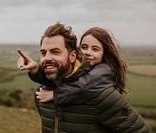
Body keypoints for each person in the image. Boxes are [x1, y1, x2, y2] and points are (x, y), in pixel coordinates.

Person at [17, 23, 149, 133]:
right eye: (43, 53)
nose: (47, 58)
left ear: (73, 56)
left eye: (55, 52)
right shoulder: (42, 94)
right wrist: (35, 69)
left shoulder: (102, 95)